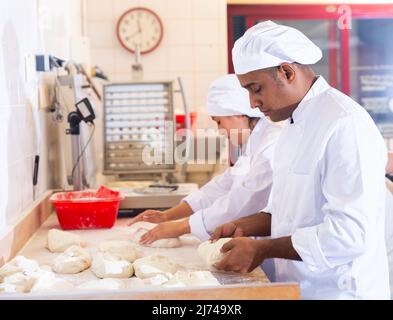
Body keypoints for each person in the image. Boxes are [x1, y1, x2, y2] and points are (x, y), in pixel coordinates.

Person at [210, 21, 390, 299]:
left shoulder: (344, 123)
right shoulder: (291, 125)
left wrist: (263, 249)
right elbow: (289, 213)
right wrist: (245, 225)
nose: (252, 103)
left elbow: (349, 234)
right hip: (301, 287)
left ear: (287, 72)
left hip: (339, 291)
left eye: (256, 89)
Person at [129, 74, 282, 246]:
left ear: (238, 114)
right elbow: (220, 188)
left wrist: (179, 227)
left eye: (219, 122)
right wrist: (167, 216)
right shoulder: (254, 144)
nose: (220, 130)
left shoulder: (270, 147)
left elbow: (239, 204)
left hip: (276, 250)